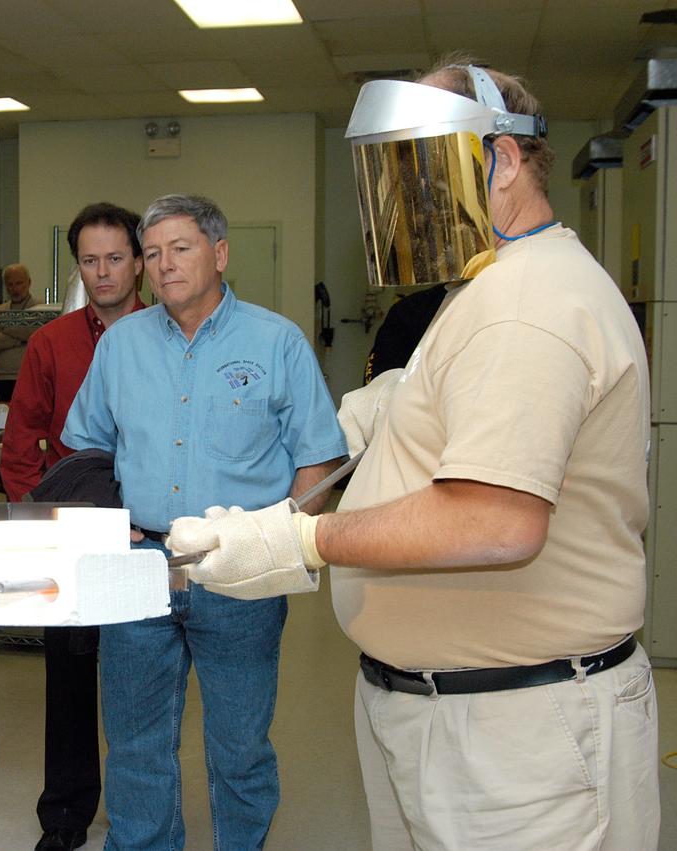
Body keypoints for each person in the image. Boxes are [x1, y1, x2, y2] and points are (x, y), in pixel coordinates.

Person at [167, 62, 660, 850]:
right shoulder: (493, 287)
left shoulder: (527, 306)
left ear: (499, 160)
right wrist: (399, 411)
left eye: (418, 170)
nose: (405, 203)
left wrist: (299, 541)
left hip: (514, 738)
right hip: (449, 713)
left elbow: (495, 519)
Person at [62, 194, 347, 850]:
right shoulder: (121, 346)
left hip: (239, 568)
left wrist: (276, 538)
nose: (164, 265)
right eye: (153, 253)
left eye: (181, 248)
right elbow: (86, 448)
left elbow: (320, 456)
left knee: (240, 747)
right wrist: (109, 518)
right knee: (134, 745)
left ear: (219, 254)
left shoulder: (276, 342)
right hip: (137, 568)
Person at [0, 202, 149, 851]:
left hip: (148, 533)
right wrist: (38, 520)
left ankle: (141, 811)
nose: (103, 272)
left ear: (139, 262)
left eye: (115, 258)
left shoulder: (170, 335)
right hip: (73, 537)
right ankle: (64, 814)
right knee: (67, 682)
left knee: (143, 679)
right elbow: (20, 440)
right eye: (90, 260)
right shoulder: (50, 343)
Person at [0, 262, 38, 401]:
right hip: (1, 378)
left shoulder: (41, 310)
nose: (15, 289)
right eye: (10, 284)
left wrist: (4, 327)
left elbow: (36, 332)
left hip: (30, 376)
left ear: (28, 283)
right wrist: (21, 339)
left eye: (19, 283)